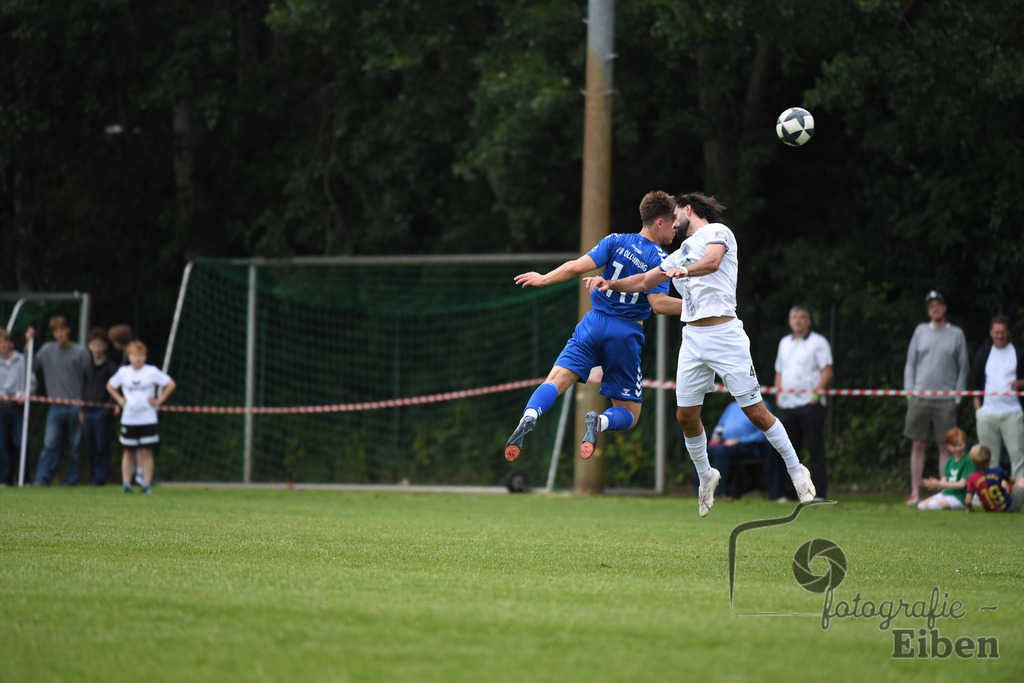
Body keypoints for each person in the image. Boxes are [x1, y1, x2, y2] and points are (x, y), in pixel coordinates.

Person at [585, 192, 815, 516]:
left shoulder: (718, 233)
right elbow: (645, 279)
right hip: (693, 337)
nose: (673, 221)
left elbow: (712, 262)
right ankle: (706, 476)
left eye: (676, 214)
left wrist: (686, 272)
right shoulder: (678, 253)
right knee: (685, 416)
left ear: (688, 209)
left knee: (757, 413)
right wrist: (610, 283)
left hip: (725, 337)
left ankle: (796, 470)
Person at [503, 191, 681, 463]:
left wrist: (543, 279)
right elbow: (658, 304)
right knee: (630, 414)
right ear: (659, 222)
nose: (676, 227)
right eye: (673, 222)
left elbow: (576, 266)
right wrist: (699, 307)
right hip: (625, 333)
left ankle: (530, 415)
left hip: (593, 324)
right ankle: (600, 422)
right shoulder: (661, 258)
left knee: (555, 380)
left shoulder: (615, 240)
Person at [903, 291, 968, 506]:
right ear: (928, 309)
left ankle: (944, 492)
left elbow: (963, 367)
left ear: (945, 308)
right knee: (918, 444)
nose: (935, 308)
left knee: (945, 446)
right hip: (920, 397)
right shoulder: (920, 331)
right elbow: (910, 363)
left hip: (946, 399)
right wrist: (909, 392)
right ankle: (915, 493)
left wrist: (957, 397)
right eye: (931, 305)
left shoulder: (956, 334)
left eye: (938, 305)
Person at [770, 305, 834, 501]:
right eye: (794, 317)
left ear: (808, 321)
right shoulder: (784, 343)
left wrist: (815, 397)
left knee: (815, 448)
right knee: (789, 450)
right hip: (787, 405)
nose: (797, 320)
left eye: (801, 317)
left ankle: (819, 493)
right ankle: (790, 493)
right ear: (790, 322)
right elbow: (779, 371)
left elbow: (828, 370)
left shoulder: (818, 342)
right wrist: (779, 396)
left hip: (810, 404)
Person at [27, 316, 92, 486]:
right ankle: (42, 479)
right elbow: (31, 366)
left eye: (62, 329)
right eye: (56, 331)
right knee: (50, 443)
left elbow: (89, 379)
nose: (59, 333)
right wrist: (29, 342)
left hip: (75, 406)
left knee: (76, 447)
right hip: (55, 406)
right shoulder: (47, 350)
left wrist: (83, 406)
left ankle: (70, 481)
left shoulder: (80, 352)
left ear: (68, 330)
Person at [107, 340, 176, 493]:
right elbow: (110, 386)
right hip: (129, 418)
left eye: (141, 355)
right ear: (129, 357)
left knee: (146, 451)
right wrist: (119, 399)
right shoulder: (124, 372)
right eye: (135, 355)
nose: (138, 358)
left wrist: (159, 400)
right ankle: (126, 484)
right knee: (128, 451)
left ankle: (146, 485)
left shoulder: (151, 371)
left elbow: (170, 384)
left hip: (147, 418)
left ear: (145, 357)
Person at [969, 315, 1024, 482]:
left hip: (1013, 413)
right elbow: (974, 382)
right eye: (996, 332)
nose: (1000, 336)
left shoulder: (1019, 353)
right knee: (987, 457)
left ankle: (1020, 494)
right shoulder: (983, 354)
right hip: (987, 413)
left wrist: (1020, 383)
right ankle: (989, 492)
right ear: (991, 333)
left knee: (1018, 456)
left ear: (1008, 333)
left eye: (1003, 332)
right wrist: (978, 410)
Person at [703, 399, 768, 498]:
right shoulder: (732, 406)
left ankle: (718, 493)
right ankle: (700, 491)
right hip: (725, 444)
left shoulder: (761, 405)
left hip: (747, 446)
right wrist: (716, 436)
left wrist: (739, 440)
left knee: (721, 451)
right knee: (701, 453)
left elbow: (763, 434)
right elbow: (720, 426)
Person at [80, 328, 119, 486]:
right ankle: (94, 476)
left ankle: (100, 478)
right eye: (94, 345)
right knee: (91, 446)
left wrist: (106, 411)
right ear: (89, 346)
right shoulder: (87, 366)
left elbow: (114, 391)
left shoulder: (111, 367)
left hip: (101, 412)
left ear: (105, 347)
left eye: (99, 345)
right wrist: (81, 409)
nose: (96, 348)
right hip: (88, 411)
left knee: (102, 446)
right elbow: (82, 389)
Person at [108, 323, 145, 487]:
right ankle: (136, 475)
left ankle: (139, 474)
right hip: (131, 409)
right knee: (134, 446)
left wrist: (121, 400)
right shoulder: (126, 356)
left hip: (137, 409)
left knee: (138, 446)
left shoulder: (129, 357)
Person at [0, 328, 36, 486]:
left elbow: (31, 381)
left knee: (21, 443)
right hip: (2, 407)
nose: (3, 345)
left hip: (18, 407)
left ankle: (25, 478)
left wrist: (26, 392)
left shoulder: (22, 360)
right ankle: (5, 479)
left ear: (11, 343)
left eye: (6, 341)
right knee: (3, 444)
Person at [917, 427, 975, 510]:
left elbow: (962, 484)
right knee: (921, 506)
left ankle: (960, 506)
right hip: (948, 493)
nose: (958, 448)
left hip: (960, 497)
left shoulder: (968, 460)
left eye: (960, 445)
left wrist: (938, 483)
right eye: (954, 446)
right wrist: (932, 483)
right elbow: (944, 481)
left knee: (933, 505)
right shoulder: (950, 460)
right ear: (948, 446)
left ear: (965, 443)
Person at [963, 444, 1024, 512]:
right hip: (1009, 506)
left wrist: (970, 508)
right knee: (1022, 480)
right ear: (990, 457)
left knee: (1003, 483)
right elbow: (1012, 481)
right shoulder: (998, 471)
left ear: (972, 461)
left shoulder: (972, 477)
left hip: (990, 509)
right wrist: (1011, 483)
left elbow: (968, 501)